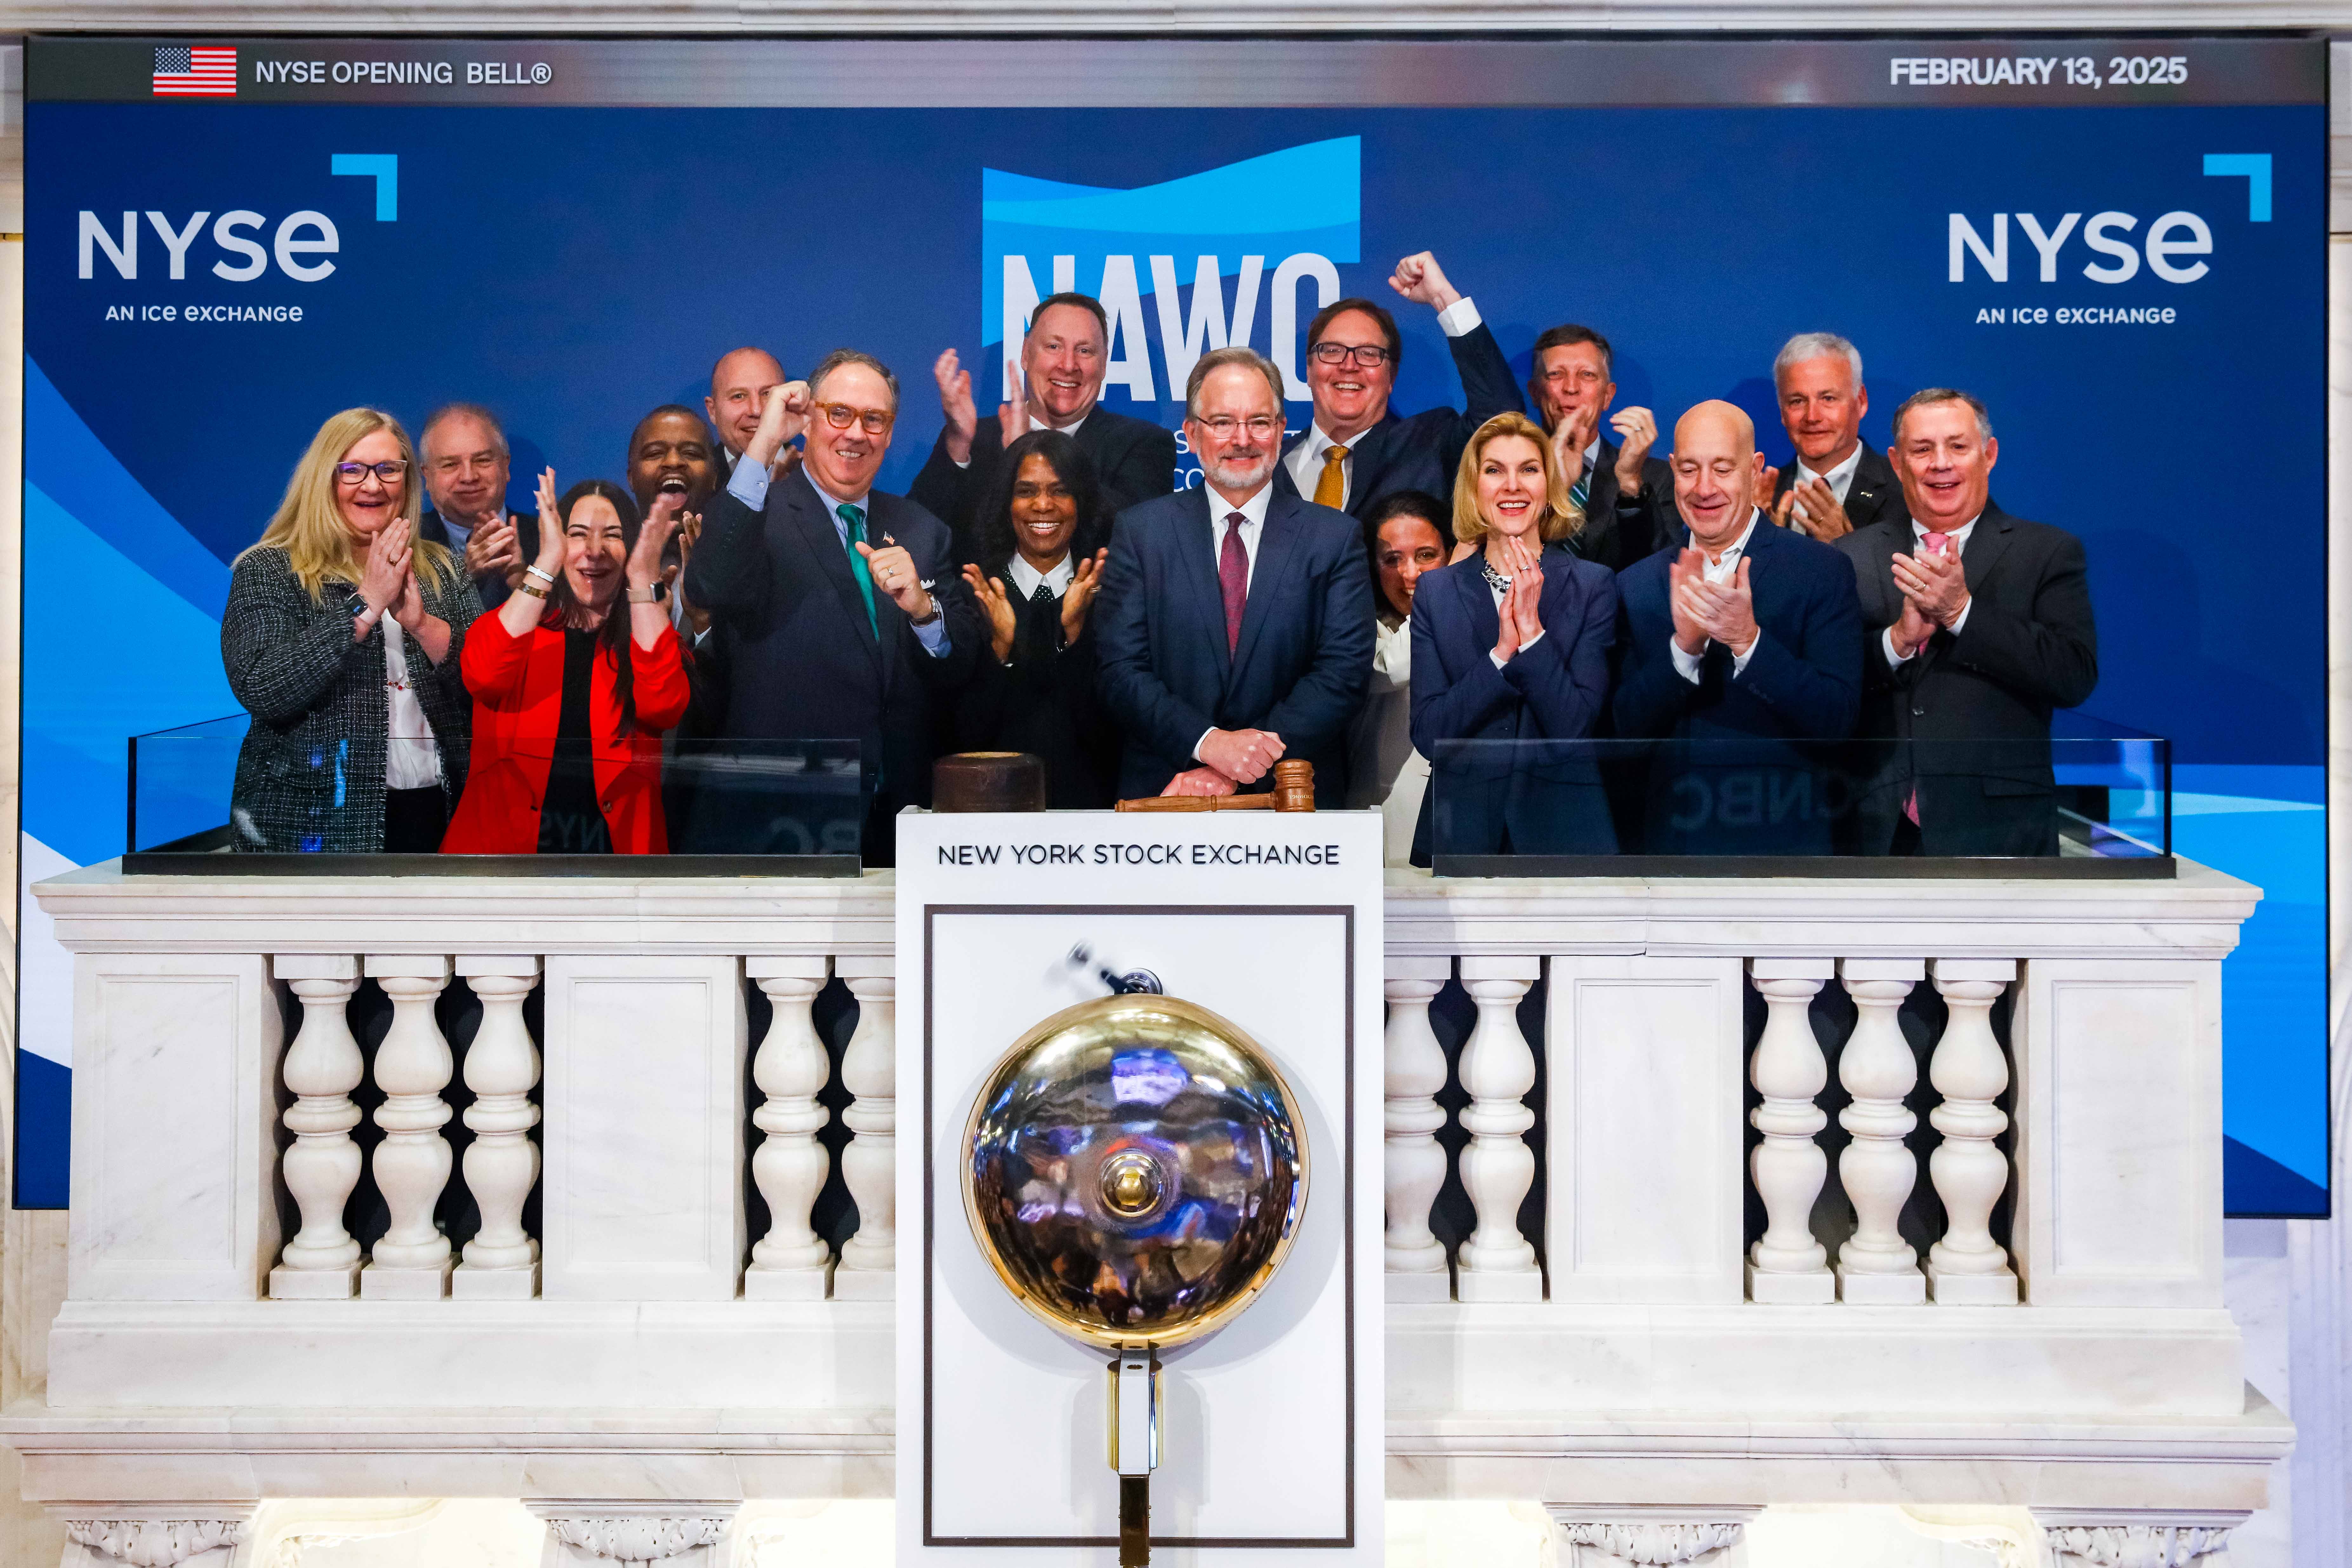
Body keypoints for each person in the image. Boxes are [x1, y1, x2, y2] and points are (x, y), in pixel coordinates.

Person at [685, 350, 980, 861]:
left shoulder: (921, 530)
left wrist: (923, 610)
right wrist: (764, 443)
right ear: (807, 421)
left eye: (874, 419)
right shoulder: (760, 513)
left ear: (889, 433)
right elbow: (709, 584)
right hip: (783, 820)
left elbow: (961, 665)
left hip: (899, 826)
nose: (855, 433)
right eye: (838, 413)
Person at [1096, 347, 1373, 803]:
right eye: (1222, 422)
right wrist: (1208, 744)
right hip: (1167, 792)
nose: (1241, 438)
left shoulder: (1334, 538)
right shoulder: (1140, 531)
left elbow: (1341, 676)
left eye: (1260, 422)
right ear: (1190, 433)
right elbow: (1119, 671)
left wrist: (1241, 766)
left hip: (1293, 800)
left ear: (1281, 430)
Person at [1835, 389, 2097, 856]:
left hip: (1999, 830)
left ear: (1988, 454)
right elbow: (1824, 682)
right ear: (1896, 463)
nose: (1940, 463)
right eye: (1922, 449)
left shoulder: (2046, 552)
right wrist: (1895, 642)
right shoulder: (1849, 557)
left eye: (1957, 446)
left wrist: (1961, 613)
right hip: (1873, 827)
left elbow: (2071, 675)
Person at [222, 408, 480, 852]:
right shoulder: (268, 569)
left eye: (387, 469)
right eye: (353, 470)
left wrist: (421, 625)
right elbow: (262, 686)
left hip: (441, 813)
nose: (374, 485)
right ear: (325, 479)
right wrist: (365, 604)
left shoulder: (444, 569)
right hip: (314, 823)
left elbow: (485, 686)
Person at [1613, 401, 1863, 855]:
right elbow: (1622, 730)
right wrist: (1682, 651)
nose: (1703, 488)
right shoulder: (1638, 584)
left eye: (1722, 469)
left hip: (1786, 846)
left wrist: (1748, 642)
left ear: (1754, 469)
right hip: (1672, 852)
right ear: (1671, 470)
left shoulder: (1820, 571)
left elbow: (1838, 719)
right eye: (1688, 470)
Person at [442, 472, 691, 855]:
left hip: (616, 873)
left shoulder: (648, 639)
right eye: (577, 534)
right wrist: (546, 563)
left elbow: (663, 706)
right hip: (502, 871)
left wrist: (643, 578)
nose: (594, 550)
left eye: (612, 534)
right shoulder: (513, 625)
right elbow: (484, 677)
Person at [1408, 414, 1618, 863]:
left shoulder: (1593, 586)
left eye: (1528, 469)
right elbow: (1429, 735)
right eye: (1493, 470)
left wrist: (1533, 636)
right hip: (1460, 832)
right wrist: (1501, 656)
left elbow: (1572, 729)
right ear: (1473, 488)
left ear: (1547, 487)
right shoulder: (1436, 591)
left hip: (1564, 832)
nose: (1512, 486)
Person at [913, 292, 1176, 560]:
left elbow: (1135, 540)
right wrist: (958, 444)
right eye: (1054, 347)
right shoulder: (972, 440)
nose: (1068, 365)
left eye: (1085, 351)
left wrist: (1026, 454)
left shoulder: (1144, 444)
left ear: (1104, 364)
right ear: (1026, 354)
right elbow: (916, 539)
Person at [1276, 252, 1521, 523]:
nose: (1349, 365)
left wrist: (1443, 298)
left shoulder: (1432, 446)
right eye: (1332, 351)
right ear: (1309, 371)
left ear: (1391, 377)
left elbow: (1503, 418)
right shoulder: (1268, 465)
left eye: (1368, 354)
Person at [953, 430, 1119, 808]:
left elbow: (1112, 737)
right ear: (1007, 503)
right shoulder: (976, 593)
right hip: (989, 823)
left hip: (1091, 821)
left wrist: (1076, 636)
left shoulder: (1111, 593)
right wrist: (999, 650)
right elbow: (959, 735)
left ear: (1081, 502)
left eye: (1060, 491)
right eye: (1026, 491)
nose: (1043, 506)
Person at [1346, 490, 1448, 864]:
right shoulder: (1355, 627)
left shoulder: (1478, 620)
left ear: (1450, 553)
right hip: (1378, 821)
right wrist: (1442, 590)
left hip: (1458, 818)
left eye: (1426, 556)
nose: (1411, 574)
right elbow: (1396, 668)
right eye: (1393, 559)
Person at [1524, 324, 1672, 570]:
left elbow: (1658, 574)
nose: (1571, 388)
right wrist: (1553, 489)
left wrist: (1630, 486)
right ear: (1535, 392)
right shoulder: (1507, 477)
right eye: (1556, 375)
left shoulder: (1653, 478)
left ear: (1607, 396)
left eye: (1587, 375)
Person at [1765, 332, 1907, 543]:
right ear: (1781, 411)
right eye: (1797, 401)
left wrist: (1847, 549)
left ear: (1860, 401)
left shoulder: (1906, 489)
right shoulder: (1760, 499)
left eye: (1828, 399)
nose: (1812, 417)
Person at [417, 403, 539, 608]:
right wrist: (465, 577)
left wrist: (522, 580)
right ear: (427, 476)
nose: (469, 477)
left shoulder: (550, 542)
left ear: (506, 467)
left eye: (482, 460)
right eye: (450, 465)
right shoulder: (406, 546)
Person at [705, 347, 787, 475]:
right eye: (739, 396)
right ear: (713, 411)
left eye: (768, 394)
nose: (756, 410)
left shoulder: (812, 471)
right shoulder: (697, 480)